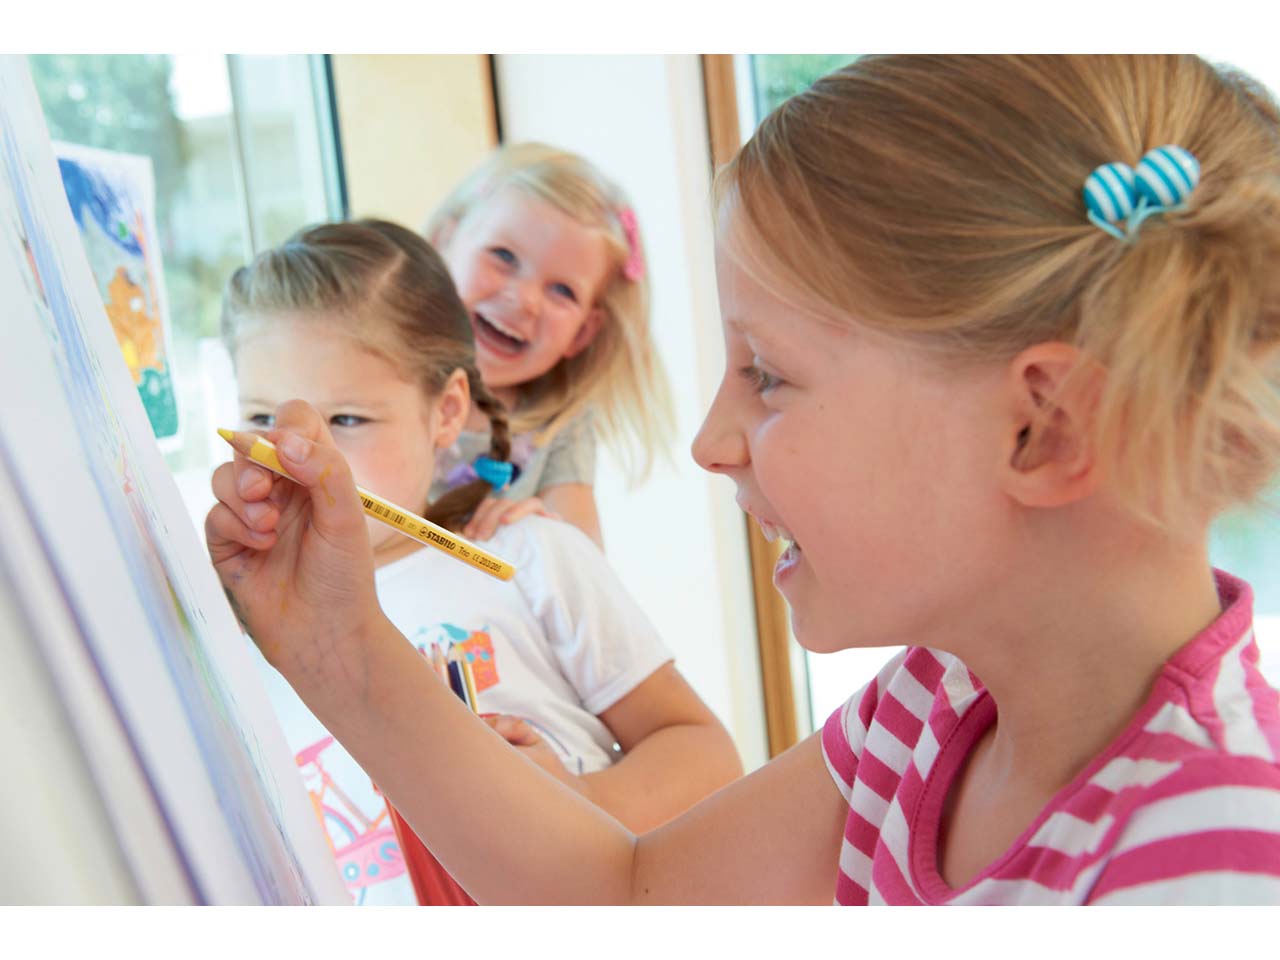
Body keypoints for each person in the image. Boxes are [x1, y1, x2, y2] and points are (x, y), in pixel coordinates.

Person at [208, 56, 1280, 904]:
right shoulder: (937, 704)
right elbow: (626, 894)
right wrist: (336, 644)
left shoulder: (1216, 864)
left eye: (765, 375)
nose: (710, 442)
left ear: (1043, 428)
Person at [219, 219, 740, 904]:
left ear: (446, 413)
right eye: (263, 420)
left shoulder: (528, 556)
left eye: (346, 420)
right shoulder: (246, 629)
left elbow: (707, 755)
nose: (302, 455)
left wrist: (577, 804)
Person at [424, 143, 674, 549]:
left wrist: (543, 536)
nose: (524, 300)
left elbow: (583, 561)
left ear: (582, 333)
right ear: (444, 241)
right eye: (503, 256)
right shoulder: (376, 370)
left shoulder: (560, 426)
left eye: (562, 291)